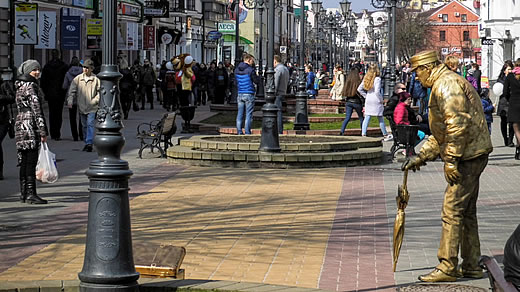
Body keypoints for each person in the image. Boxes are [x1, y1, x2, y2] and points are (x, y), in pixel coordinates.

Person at [402, 50, 493, 283]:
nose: (417, 78)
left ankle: (447, 265)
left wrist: (451, 159)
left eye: (417, 73)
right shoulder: (445, 82)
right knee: (466, 210)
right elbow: (442, 132)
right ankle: (471, 264)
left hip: (467, 156)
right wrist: (421, 157)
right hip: (472, 152)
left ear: (427, 68)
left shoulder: (446, 84)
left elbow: (457, 125)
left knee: (451, 209)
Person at [15, 60, 48, 204]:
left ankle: (23, 193)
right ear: (28, 71)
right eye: (34, 70)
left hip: (20, 124)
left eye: (38, 69)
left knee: (23, 161)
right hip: (30, 125)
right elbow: (37, 109)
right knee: (31, 161)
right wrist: (43, 130)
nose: (38, 72)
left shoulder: (19, 85)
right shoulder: (31, 86)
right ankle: (31, 193)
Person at [66, 59, 100, 153]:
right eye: (84, 67)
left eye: (87, 67)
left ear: (91, 69)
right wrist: (70, 100)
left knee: (90, 124)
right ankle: (86, 142)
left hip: (92, 106)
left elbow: (100, 92)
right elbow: (72, 90)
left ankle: (89, 143)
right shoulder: (78, 78)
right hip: (81, 106)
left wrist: (95, 101)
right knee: (84, 125)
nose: (85, 69)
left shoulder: (96, 79)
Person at [357, 63, 392, 141]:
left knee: (367, 117)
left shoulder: (366, 78)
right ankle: (385, 134)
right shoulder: (377, 79)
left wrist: (366, 96)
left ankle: (363, 133)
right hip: (376, 99)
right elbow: (377, 91)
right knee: (380, 117)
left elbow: (359, 89)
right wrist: (381, 99)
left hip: (369, 98)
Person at [40, 49, 68, 141]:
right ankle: (57, 133)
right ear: (59, 55)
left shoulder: (47, 66)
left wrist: (46, 92)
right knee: (58, 114)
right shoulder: (63, 66)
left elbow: (43, 82)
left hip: (50, 94)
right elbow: (66, 81)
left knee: (52, 113)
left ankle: (53, 133)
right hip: (60, 94)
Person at [235, 53, 260, 135]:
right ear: (248, 60)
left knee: (240, 114)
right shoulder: (250, 70)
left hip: (240, 93)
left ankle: (239, 131)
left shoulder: (237, 69)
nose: (253, 62)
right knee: (248, 114)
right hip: (249, 93)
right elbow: (256, 81)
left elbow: (236, 81)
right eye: (252, 61)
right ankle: (247, 131)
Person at [62, 57, 84, 142]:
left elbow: (64, 86)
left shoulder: (68, 73)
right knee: (82, 116)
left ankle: (75, 136)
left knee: (72, 117)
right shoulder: (82, 73)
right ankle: (82, 134)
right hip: (82, 96)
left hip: (71, 97)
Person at [503, 59, 520, 160]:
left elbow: (505, 92)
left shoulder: (510, 76)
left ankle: (519, 148)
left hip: (514, 103)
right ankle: (518, 149)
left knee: (517, 129)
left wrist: (510, 99)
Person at [340, 68, 363, 135]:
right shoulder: (358, 82)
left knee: (347, 117)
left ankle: (342, 131)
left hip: (349, 101)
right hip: (357, 102)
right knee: (361, 117)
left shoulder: (348, 81)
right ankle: (363, 131)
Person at [496, 61, 515, 146]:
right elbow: (500, 90)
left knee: (512, 122)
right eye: (508, 69)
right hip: (503, 102)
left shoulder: (515, 78)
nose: (510, 71)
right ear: (504, 71)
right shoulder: (501, 79)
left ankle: (510, 140)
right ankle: (505, 139)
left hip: (512, 102)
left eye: (511, 69)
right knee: (503, 122)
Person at [0, 78, 15, 180]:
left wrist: (1, 97)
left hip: (2, 120)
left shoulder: (3, 84)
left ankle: (0, 170)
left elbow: (12, 98)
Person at [273, 55, 289, 135]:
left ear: (275, 61)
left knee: (277, 112)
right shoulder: (285, 68)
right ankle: (279, 129)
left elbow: (276, 82)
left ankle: (278, 130)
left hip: (278, 93)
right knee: (279, 111)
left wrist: (272, 92)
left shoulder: (278, 70)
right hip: (283, 91)